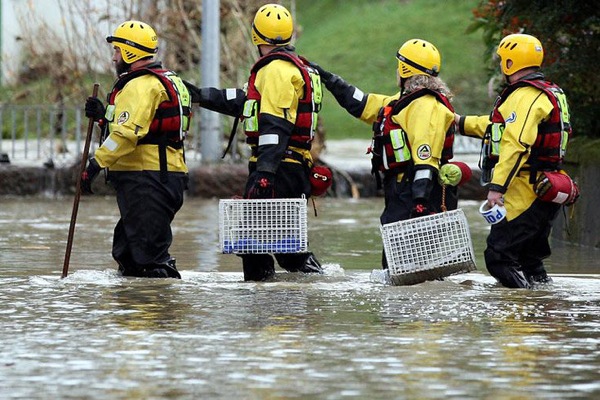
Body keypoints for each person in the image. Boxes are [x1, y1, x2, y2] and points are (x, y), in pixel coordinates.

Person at [185, 3, 325, 281]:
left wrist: (264, 174)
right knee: (277, 245)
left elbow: (275, 126)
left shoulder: (274, 70)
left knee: (256, 244)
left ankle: (267, 300)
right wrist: (202, 95)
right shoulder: (291, 68)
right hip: (290, 167)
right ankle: (294, 289)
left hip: (277, 168)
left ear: (256, 36)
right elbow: (246, 101)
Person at [311, 38, 465, 270]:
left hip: (417, 196)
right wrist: (328, 78)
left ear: (405, 69)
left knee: (404, 267)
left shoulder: (425, 106)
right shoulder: (401, 102)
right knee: (398, 266)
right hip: (403, 193)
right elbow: (360, 103)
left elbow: (426, 159)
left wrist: (420, 204)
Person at [455, 33, 576, 288]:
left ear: (511, 62)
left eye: (503, 60)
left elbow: (516, 144)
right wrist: (459, 122)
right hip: (546, 188)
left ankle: (520, 312)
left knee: (499, 257)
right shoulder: (546, 93)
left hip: (525, 191)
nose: (501, 65)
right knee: (529, 260)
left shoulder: (525, 96)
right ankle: (545, 307)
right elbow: (498, 126)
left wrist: (496, 188)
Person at [81, 20, 191, 279]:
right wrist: (103, 114)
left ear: (130, 52)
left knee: (148, 257)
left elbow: (126, 134)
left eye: (117, 51)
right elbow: (138, 123)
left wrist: (95, 163)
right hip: (155, 178)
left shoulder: (140, 86)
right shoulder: (157, 82)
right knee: (128, 253)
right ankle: (133, 310)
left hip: (149, 178)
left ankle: (155, 314)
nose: (113, 58)